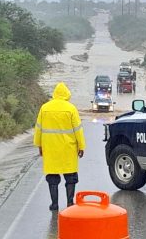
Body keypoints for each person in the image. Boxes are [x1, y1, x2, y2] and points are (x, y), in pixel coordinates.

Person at [33, 82, 86, 211]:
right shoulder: (71, 108)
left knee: (52, 177)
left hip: (50, 148)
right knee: (71, 177)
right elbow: (78, 129)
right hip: (68, 149)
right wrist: (81, 146)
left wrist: (39, 145)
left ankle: (54, 204)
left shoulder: (44, 108)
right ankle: (69, 203)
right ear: (67, 94)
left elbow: (38, 129)